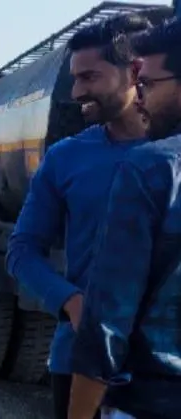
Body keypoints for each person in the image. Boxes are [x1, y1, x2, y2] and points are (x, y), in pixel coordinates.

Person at [3, 13, 154, 419]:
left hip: (163, 365)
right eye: (75, 77)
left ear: (135, 71)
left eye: (89, 77)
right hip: (80, 360)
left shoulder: (172, 156)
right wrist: (71, 302)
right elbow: (22, 250)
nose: (75, 91)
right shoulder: (66, 157)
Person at [68, 17, 181, 419]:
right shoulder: (69, 155)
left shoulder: (151, 169)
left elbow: (107, 326)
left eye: (148, 84)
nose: (142, 97)